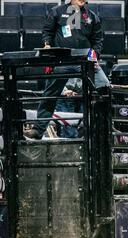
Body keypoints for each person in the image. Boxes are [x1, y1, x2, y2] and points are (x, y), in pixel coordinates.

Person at [24, 0, 110, 140]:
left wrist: (95, 55)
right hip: (61, 59)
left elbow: (98, 39)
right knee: (50, 94)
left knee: (104, 87)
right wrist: (47, 45)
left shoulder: (92, 16)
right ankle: (38, 130)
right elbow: (47, 31)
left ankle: (106, 126)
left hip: (85, 59)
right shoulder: (57, 11)